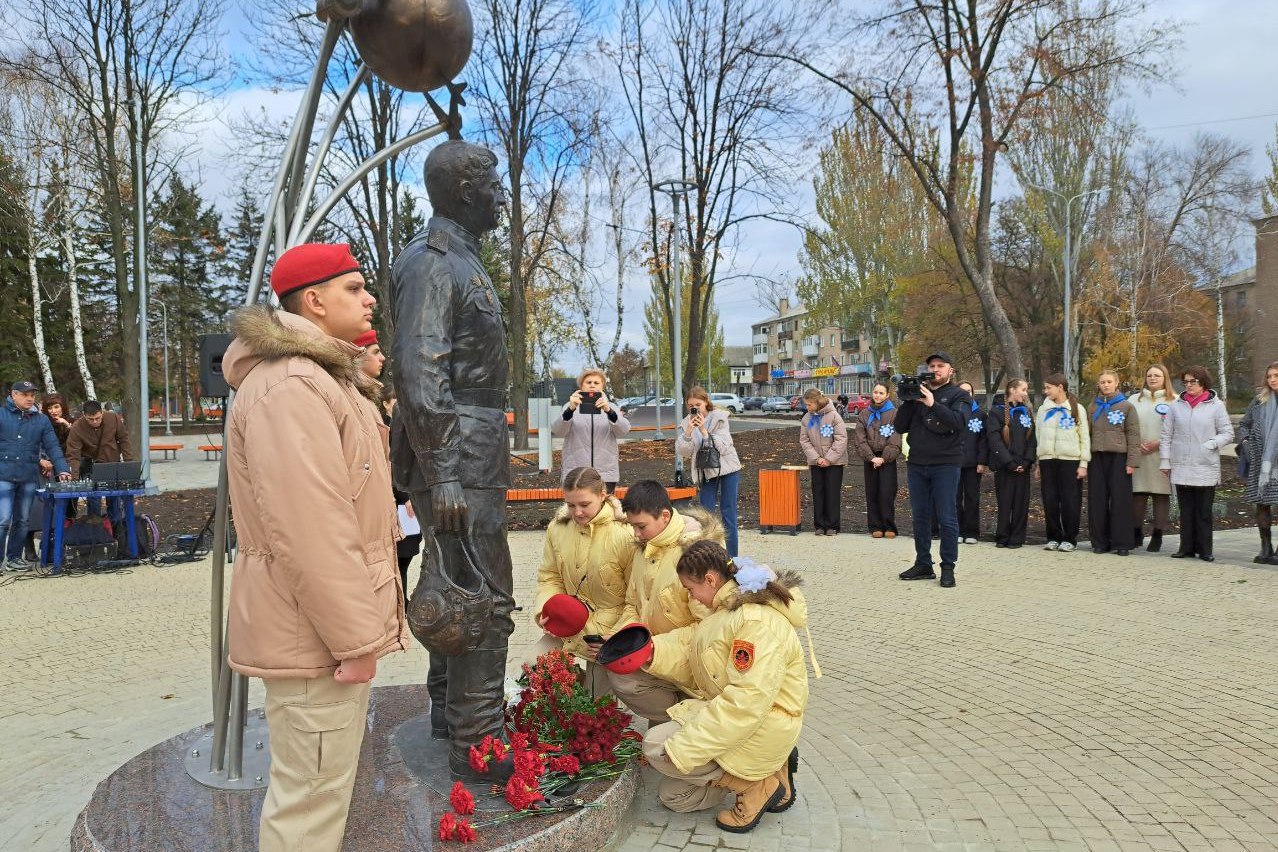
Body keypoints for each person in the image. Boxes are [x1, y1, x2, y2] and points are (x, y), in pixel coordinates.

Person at [220, 242, 408, 852]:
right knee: (309, 802)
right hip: (315, 639)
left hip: (317, 632)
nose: (369, 299)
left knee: (319, 792)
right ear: (315, 301)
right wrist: (356, 641)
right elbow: (312, 531)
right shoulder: (292, 386)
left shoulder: (318, 379)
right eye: (354, 287)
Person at [389, 140, 516, 781]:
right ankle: (479, 737)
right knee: (483, 593)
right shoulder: (432, 263)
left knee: (460, 581)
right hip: (458, 449)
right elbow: (420, 372)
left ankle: (453, 712)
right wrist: (442, 471)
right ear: (466, 193)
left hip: (472, 443)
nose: (502, 197)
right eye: (495, 186)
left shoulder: (462, 260)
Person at [636, 540, 810, 833]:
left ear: (710, 580)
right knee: (675, 797)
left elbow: (746, 702)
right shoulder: (725, 610)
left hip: (762, 722)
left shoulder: (754, 622)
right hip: (748, 719)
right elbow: (698, 658)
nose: (691, 597)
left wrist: (685, 748)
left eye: (690, 589)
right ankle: (767, 771)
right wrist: (651, 652)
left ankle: (756, 785)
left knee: (658, 746)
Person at [608, 479, 723, 723]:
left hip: (691, 660)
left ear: (664, 516)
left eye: (641, 526)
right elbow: (632, 604)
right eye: (632, 526)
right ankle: (672, 718)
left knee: (656, 742)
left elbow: (709, 626)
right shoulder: (644, 546)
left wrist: (654, 649)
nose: (636, 534)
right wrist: (624, 636)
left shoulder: (696, 554)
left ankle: (686, 718)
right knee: (620, 674)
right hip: (657, 653)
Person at [532, 466, 633, 696]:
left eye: (584, 504)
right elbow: (550, 576)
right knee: (532, 668)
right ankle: (568, 699)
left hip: (607, 634)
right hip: (568, 626)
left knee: (596, 701)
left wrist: (618, 636)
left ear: (603, 495)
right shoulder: (558, 528)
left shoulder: (625, 533)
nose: (577, 512)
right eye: (570, 505)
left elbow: (636, 596)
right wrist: (545, 610)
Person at [895, 352, 969, 588]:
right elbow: (899, 426)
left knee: (947, 517)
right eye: (931, 366)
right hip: (917, 463)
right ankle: (923, 564)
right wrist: (909, 399)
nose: (935, 370)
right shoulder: (919, 393)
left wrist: (933, 404)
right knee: (920, 516)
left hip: (945, 464)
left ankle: (948, 566)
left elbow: (959, 422)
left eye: (940, 366)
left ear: (950, 370)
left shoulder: (959, 395)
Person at [1160, 366, 1233, 563]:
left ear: (1203, 382)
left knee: (1203, 511)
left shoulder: (1216, 406)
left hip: (1205, 464)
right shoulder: (1176, 406)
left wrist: (1211, 444)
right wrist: (1165, 461)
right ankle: (1186, 548)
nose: (1189, 385)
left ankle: (1205, 549)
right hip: (1181, 464)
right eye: (1186, 381)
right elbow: (1166, 435)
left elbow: (1227, 433)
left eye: (1193, 381)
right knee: (1186, 510)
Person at [1, 380, 71, 571]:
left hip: (27, 476)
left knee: (23, 520)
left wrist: (63, 469)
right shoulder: (2, 415)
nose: (30, 398)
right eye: (25, 394)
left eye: (32, 395)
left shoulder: (41, 420)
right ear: (14, 395)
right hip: (3, 475)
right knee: (3, 519)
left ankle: (14, 557)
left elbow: (53, 446)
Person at [675, 386, 742, 556]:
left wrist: (704, 431)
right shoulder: (686, 423)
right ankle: (710, 556)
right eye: (691, 405)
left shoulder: (719, 417)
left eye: (698, 404)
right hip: (705, 472)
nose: (695, 408)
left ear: (706, 402)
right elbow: (684, 452)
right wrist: (689, 432)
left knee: (728, 513)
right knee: (706, 515)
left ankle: (732, 558)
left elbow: (724, 446)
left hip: (727, 469)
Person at [1087, 370, 1141, 555]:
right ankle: (1100, 541)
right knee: (1098, 500)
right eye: (1102, 382)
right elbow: (1087, 433)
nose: (1106, 385)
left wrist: (1132, 462)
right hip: (1097, 457)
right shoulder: (1093, 406)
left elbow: (1133, 435)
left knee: (1120, 500)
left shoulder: (1126, 406)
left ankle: (1122, 543)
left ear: (1117, 383)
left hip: (1119, 458)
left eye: (1109, 381)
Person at [1034, 374, 1090, 552]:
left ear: (1060, 387)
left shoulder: (1076, 408)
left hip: (1070, 461)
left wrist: (1083, 464)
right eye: (1045, 388)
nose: (1046, 391)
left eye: (1048, 387)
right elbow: (1038, 435)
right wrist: (1039, 461)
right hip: (1048, 460)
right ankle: (1053, 537)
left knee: (1070, 501)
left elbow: (1084, 437)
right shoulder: (1043, 410)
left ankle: (1069, 538)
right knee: (1050, 500)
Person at [552, 368, 631, 492]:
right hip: (576, 472)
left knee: (605, 504)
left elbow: (624, 430)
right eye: (588, 382)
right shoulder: (570, 406)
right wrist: (570, 410)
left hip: (605, 473)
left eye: (596, 383)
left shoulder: (611, 407)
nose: (592, 385)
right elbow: (558, 431)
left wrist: (609, 411)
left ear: (602, 386)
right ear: (581, 386)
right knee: (577, 504)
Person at [65, 399, 134, 526]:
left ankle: (116, 529)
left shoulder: (113, 418)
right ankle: (95, 529)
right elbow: (73, 455)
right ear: (84, 415)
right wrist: (74, 477)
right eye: (91, 419)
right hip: (91, 467)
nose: (95, 422)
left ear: (102, 412)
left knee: (115, 500)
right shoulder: (77, 427)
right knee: (94, 500)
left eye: (98, 418)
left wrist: (128, 464)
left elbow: (124, 439)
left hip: (112, 463)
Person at [986, 379, 1037, 549]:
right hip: (1005, 467)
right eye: (1023, 389)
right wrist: (1010, 462)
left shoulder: (1026, 412)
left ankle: (1017, 537)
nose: (1025, 393)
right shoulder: (996, 412)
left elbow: (1032, 440)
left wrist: (1026, 461)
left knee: (1021, 504)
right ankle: (1002, 536)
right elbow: (994, 440)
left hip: (1023, 467)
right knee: (1005, 502)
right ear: (1012, 390)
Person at [1238, 361, 1278, 565]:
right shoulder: (1260, 400)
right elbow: (1244, 424)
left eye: (1276, 376)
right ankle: (1265, 547)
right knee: (1262, 503)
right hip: (1260, 460)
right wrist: (1245, 443)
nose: (1272, 380)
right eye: (1269, 376)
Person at [849, 382, 901, 538]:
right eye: (875, 392)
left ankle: (889, 526)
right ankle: (875, 526)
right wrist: (871, 457)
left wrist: (884, 458)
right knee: (872, 492)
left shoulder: (894, 413)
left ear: (887, 395)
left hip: (887, 459)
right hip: (870, 458)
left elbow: (896, 438)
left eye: (881, 393)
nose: (877, 395)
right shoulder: (864, 414)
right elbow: (860, 439)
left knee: (887, 492)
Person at [1130, 364, 1174, 552]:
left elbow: (1179, 429)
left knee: (1160, 494)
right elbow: (1127, 425)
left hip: (1162, 455)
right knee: (1138, 494)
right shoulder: (1134, 400)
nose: (1153, 378)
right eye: (1149, 375)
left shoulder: (1175, 401)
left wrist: (1159, 443)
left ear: (1165, 378)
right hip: (1139, 453)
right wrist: (1136, 443)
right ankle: (1136, 533)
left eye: (1157, 375)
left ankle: (1157, 535)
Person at [798, 388, 847, 536]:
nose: (807, 407)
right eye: (806, 405)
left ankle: (832, 525)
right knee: (818, 492)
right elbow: (804, 440)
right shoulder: (807, 418)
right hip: (816, 462)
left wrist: (828, 459)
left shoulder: (834, 416)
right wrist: (817, 458)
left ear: (817, 402)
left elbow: (841, 439)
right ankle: (819, 525)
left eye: (809, 404)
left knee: (832, 493)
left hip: (834, 463)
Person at [955, 381, 988, 544]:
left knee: (972, 498)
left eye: (969, 391)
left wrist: (982, 461)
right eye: (963, 391)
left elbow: (984, 440)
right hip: (953, 463)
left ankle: (971, 532)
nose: (967, 394)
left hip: (973, 464)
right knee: (954, 498)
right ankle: (957, 531)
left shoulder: (980, 414)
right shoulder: (952, 412)